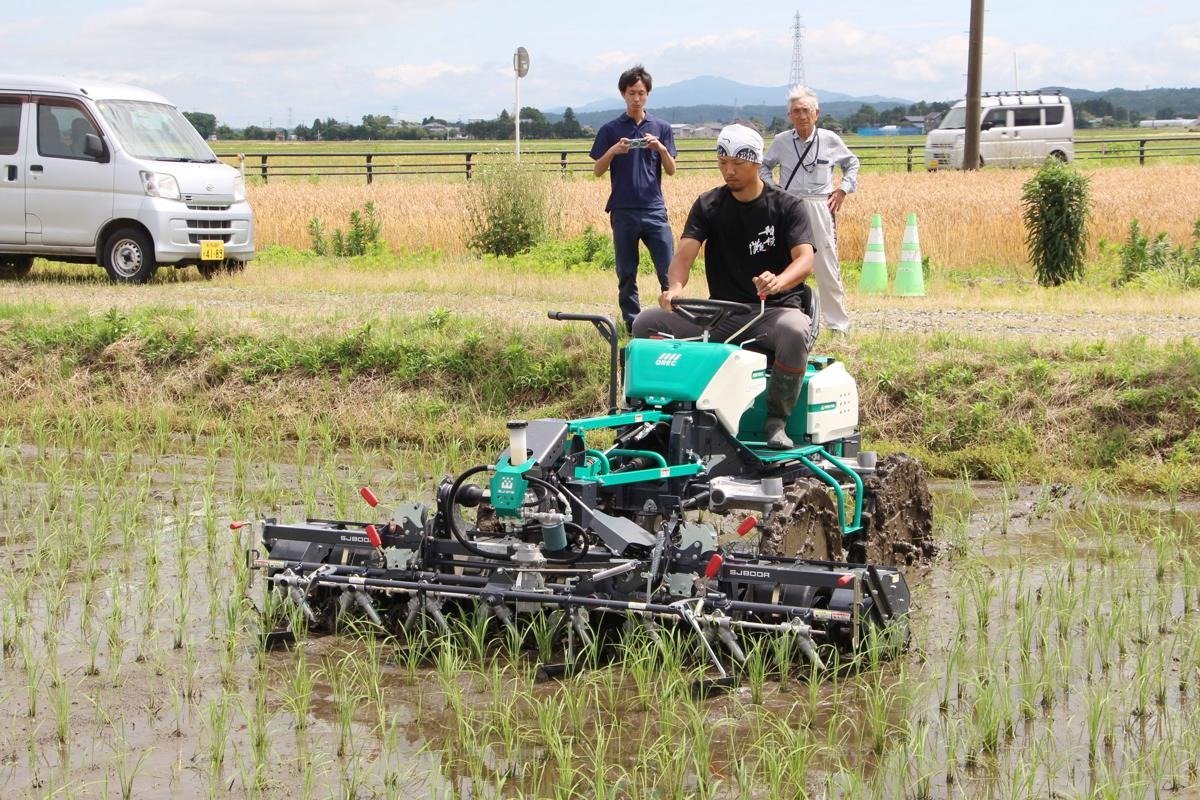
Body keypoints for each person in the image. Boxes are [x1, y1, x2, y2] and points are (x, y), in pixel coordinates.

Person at [632, 124, 815, 449]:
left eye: (738, 164)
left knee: (795, 330)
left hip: (772, 312)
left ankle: (776, 421)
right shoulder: (709, 205)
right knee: (646, 323)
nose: (729, 171)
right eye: (723, 163)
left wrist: (778, 281)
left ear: (757, 162)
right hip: (722, 314)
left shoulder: (787, 206)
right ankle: (654, 417)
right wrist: (674, 287)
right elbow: (684, 256)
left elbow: (804, 261)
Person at [760, 86, 860, 334]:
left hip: (820, 203)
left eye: (806, 110)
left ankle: (837, 325)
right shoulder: (782, 141)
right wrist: (774, 191)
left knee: (826, 263)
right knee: (784, 262)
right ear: (789, 115)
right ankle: (783, 319)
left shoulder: (829, 139)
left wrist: (843, 190)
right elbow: (763, 167)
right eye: (796, 111)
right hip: (789, 205)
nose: (801, 116)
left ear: (817, 113)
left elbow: (851, 163)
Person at [590, 65, 677, 332]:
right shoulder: (610, 129)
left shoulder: (661, 128)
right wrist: (614, 151)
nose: (636, 98)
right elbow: (597, 170)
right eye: (631, 93)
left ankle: (673, 320)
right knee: (626, 271)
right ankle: (633, 324)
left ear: (648, 94)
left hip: (654, 209)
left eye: (641, 93)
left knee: (669, 270)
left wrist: (660, 148)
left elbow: (672, 170)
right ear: (622, 94)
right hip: (623, 210)